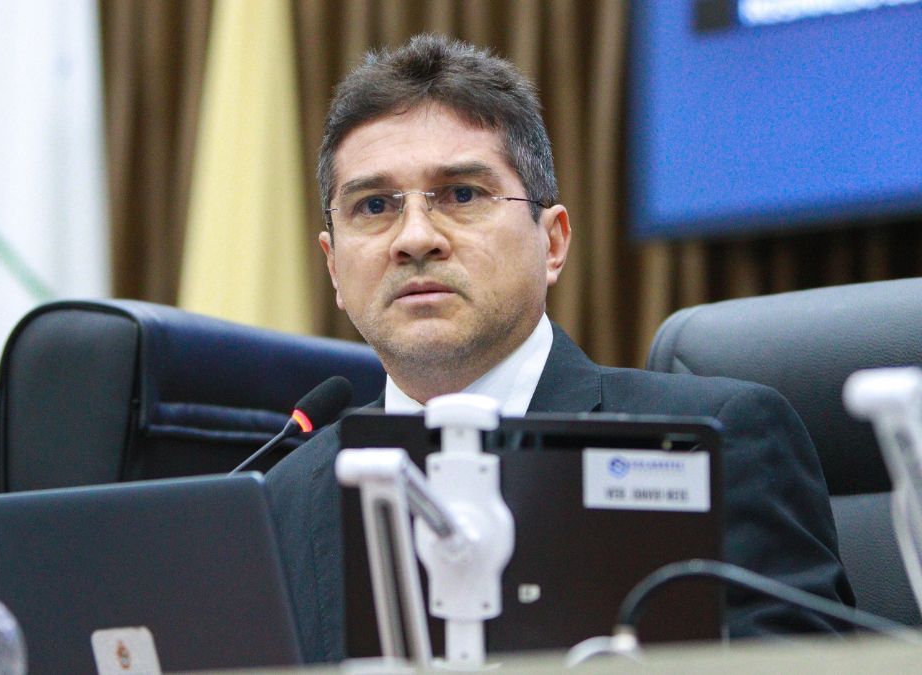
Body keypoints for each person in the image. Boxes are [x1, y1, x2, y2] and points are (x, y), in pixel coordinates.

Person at [265, 34, 854, 662]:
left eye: (461, 194)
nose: (414, 238)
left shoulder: (717, 441)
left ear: (552, 242)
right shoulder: (283, 496)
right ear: (333, 266)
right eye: (374, 205)